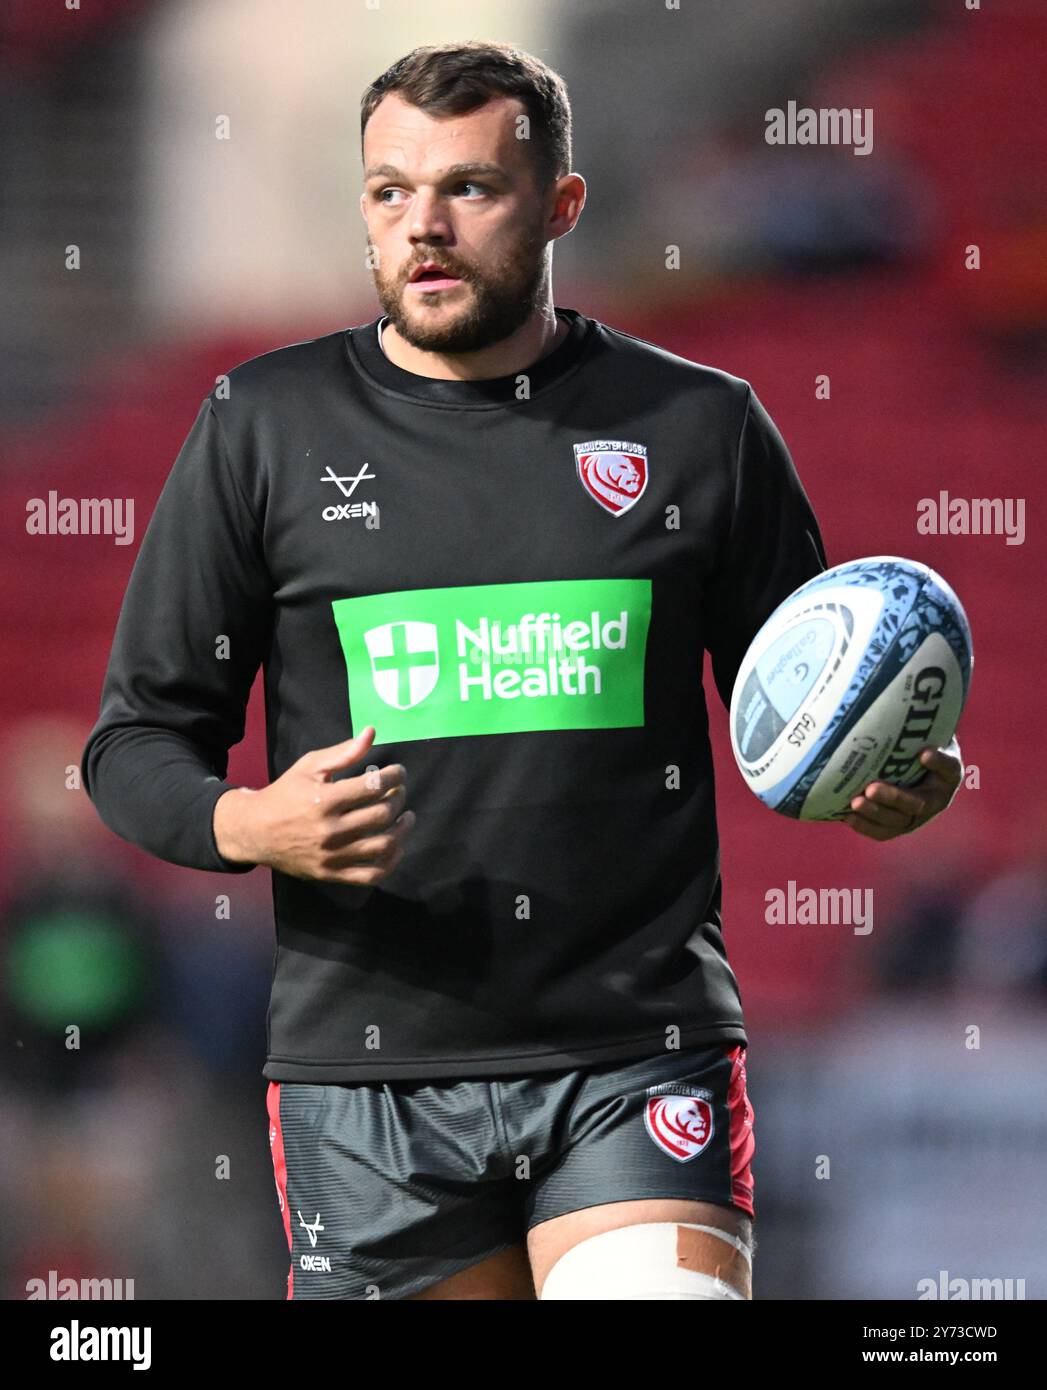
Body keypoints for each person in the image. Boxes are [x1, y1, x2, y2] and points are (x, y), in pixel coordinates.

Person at [81, 40, 963, 1301]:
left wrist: (895, 778)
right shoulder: (261, 427)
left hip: (636, 1053)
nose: (423, 226)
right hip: (369, 1077)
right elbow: (131, 747)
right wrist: (246, 820)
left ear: (561, 205)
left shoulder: (699, 428)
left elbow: (817, 707)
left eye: (469, 189)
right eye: (390, 192)